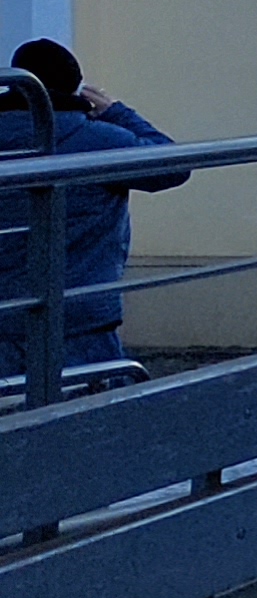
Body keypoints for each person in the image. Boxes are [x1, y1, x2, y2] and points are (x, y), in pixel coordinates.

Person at [3, 38, 184, 386]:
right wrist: (116, 111)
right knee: (96, 413)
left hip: (5, 316)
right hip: (80, 320)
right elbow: (173, 166)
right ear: (77, 88)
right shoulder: (98, 140)